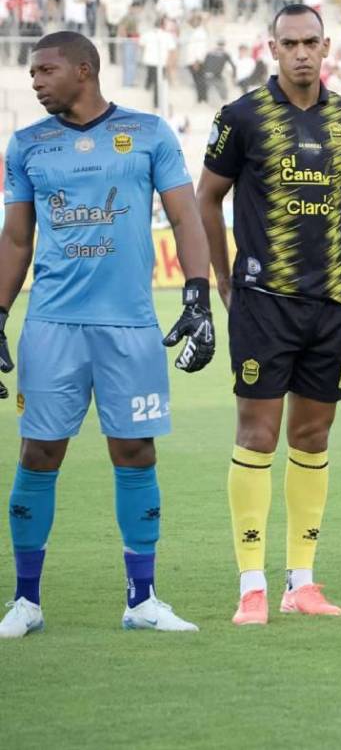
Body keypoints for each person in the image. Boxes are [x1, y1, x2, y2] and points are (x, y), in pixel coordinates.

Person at [0, 31, 215, 638]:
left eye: (45, 70)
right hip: (52, 326)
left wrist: (197, 295)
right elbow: (17, 240)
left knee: (135, 451)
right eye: (32, 72)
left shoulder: (149, 134)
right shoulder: (25, 146)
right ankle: (25, 601)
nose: (35, 81)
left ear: (85, 70)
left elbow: (184, 216)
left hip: (129, 326)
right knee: (39, 453)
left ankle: (142, 598)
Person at [195, 4, 341, 626]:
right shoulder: (241, 117)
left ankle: (302, 582)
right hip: (262, 304)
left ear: (327, 48)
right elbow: (206, 199)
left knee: (313, 437)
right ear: (272, 48)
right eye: (289, 42)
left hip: (330, 308)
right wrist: (223, 280)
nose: (301, 52)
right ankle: (251, 587)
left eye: (311, 42)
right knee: (258, 437)